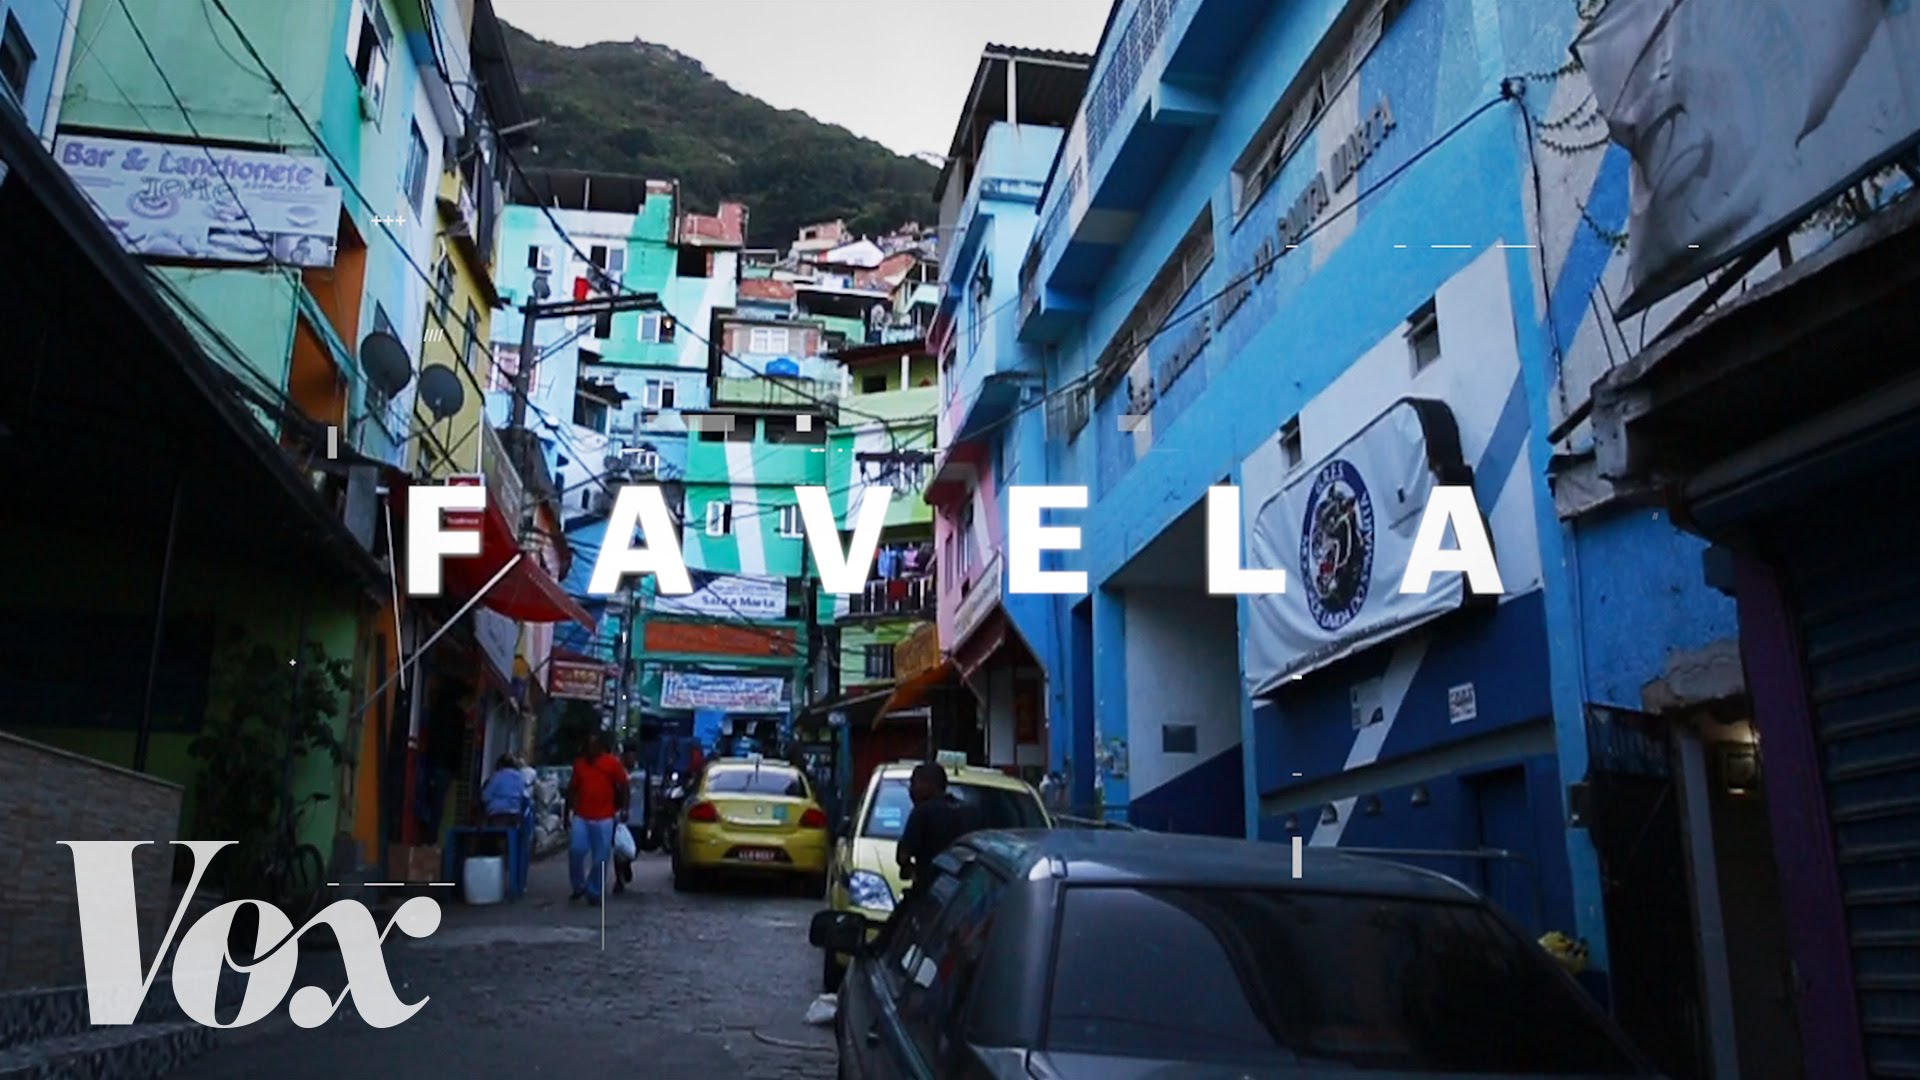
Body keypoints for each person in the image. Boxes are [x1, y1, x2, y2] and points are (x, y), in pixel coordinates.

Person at [896, 763, 980, 899]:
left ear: (928, 784)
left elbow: (903, 855)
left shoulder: (921, 813)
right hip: (964, 895)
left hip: (930, 893)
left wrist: (909, 869)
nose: (910, 790)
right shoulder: (970, 811)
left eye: (914, 784)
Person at [566, 733, 629, 906]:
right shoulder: (580, 765)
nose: (590, 749)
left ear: (600, 747)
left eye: (594, 745)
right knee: (576, 850)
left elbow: (624, 785)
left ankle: (594, 891)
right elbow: (572, 789)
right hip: (582, 815)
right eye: (588, 745)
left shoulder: (611, 764)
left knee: (600, 857)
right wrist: (568, 813)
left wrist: (624, 808)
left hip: (604, 817)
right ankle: (578, 885)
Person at [479, 754, 528, 826]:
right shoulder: (520, 778)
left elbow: (486, 796)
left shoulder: (496, 776)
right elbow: (523, 796)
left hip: (497, 814)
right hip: (515, 814)